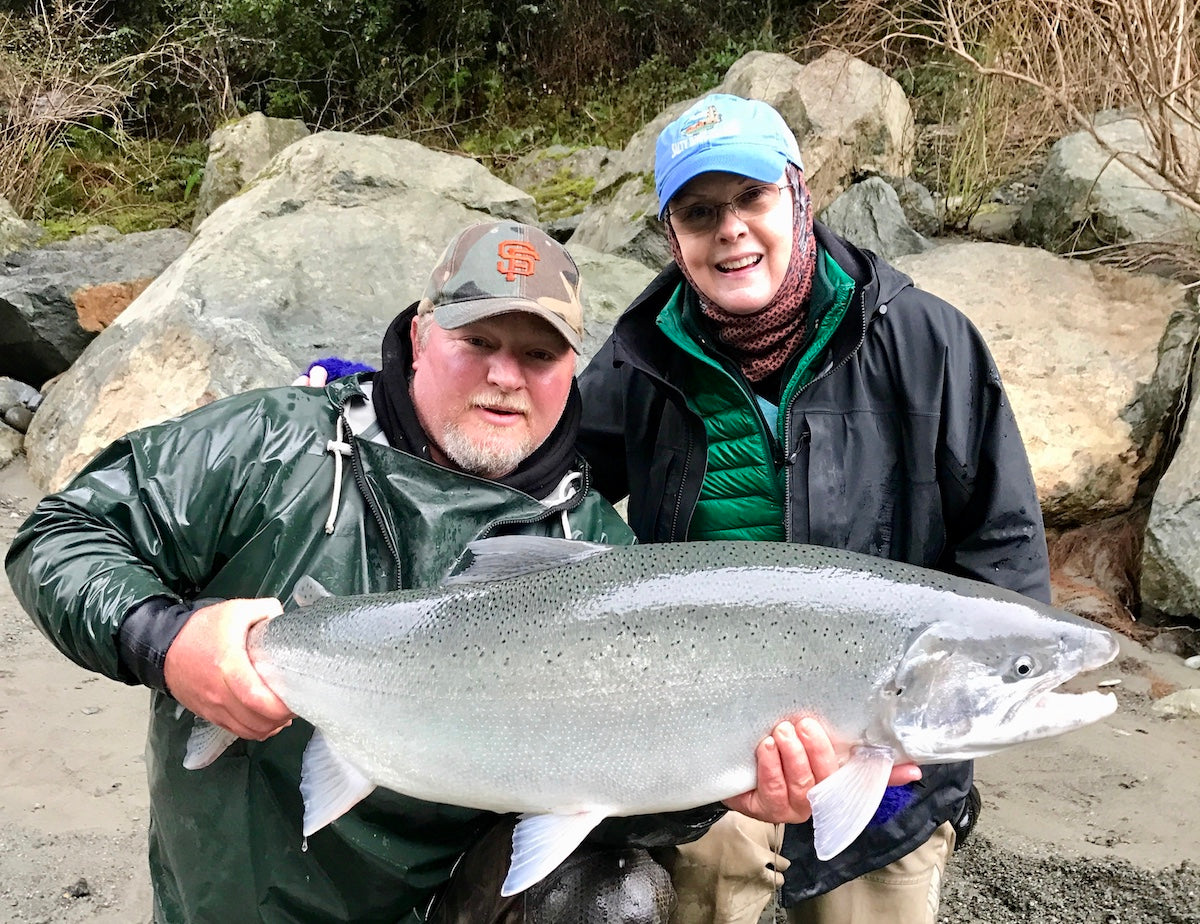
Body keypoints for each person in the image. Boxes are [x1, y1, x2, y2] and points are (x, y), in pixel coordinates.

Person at [6, 219, 855, 924]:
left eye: (538, 354)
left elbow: (616, 789)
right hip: (233, 900)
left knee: (617, 898)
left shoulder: (594, 548)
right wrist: (167, 640)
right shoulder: (272, 445)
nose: (503, 376)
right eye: (476, 340)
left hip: (451, 906)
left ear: (572, 369)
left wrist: (730, 788)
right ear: (418, 335)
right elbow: (60, 533)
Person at [574, 94, 1052, 924]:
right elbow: (544, 485)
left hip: (889, 772)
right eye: (698, 212)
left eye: (751, 198)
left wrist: (929, 745)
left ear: (799, 195)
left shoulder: (929, 343)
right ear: (670, 234)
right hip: (704, 771)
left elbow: (1002, 550)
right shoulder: (637, 360)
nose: (730, 230)